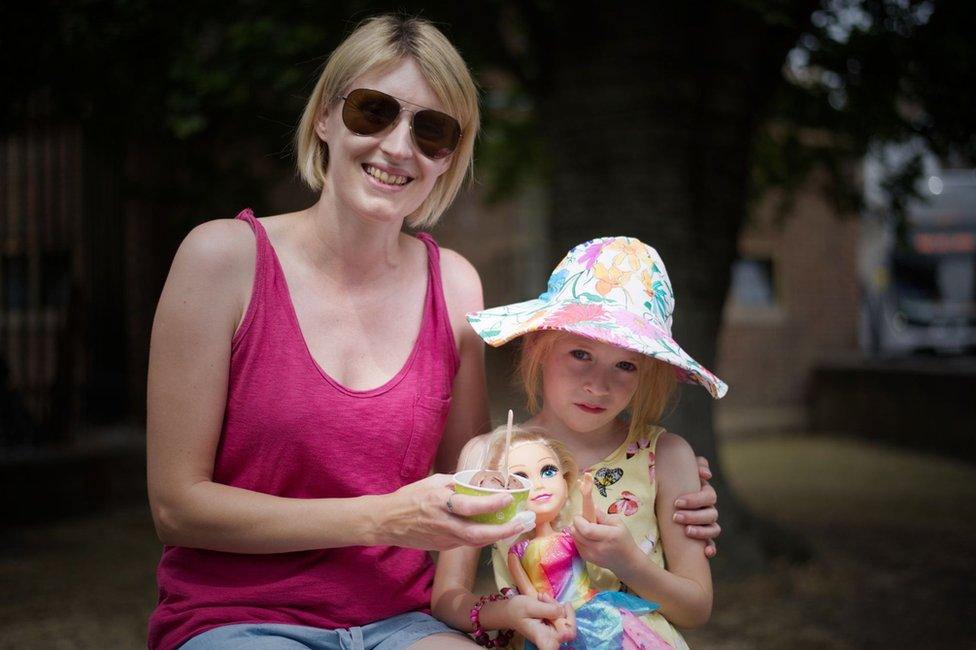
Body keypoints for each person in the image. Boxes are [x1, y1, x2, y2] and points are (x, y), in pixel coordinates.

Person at [145, 14, 720, 650]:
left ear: (450, 156)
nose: (398, 147)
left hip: (405, 622)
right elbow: (176, 509)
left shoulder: (455, 285)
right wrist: (382, 518)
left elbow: (482, 472)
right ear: (323, 118)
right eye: (373, 111)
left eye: (432, 130)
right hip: (239, 618)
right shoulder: (221, 260)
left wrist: (641, 477)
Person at [433, 237, 722, 649]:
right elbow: (447, 598)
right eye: (580, 354)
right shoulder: (488, 456)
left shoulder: (669, 457)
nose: (598, 385)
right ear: (539, 345)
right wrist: (506, 612)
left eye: (625, 365)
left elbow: (696, 608)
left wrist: (629, 564)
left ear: (648, 374)